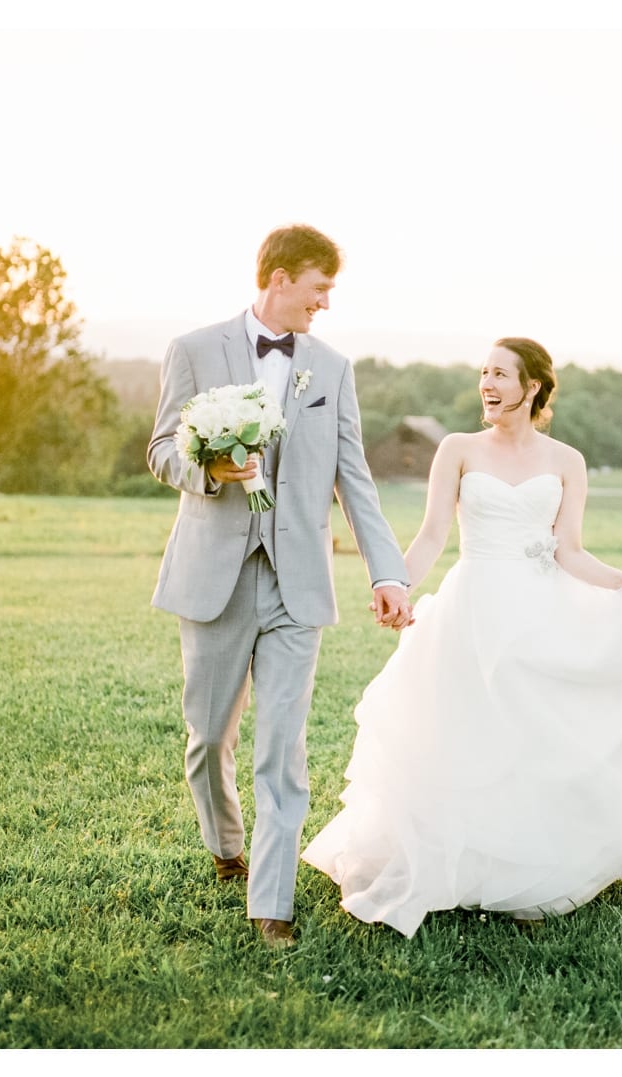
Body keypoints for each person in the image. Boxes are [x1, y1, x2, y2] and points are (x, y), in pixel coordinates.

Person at [302, 337, 622, 937]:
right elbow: (433, 534)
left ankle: (539, 864)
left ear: (533, 387)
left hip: (542, 609)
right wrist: (397, 584)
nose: (486, 385)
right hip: (472, 609)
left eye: (500, 374)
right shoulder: (458, 448)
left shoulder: (567, 460)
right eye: (483, 373)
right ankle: (455, 861)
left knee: (538, 736)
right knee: (464, 737)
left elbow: (569, 550)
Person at [147, 224, 411, 950]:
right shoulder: (195, 350)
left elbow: (354, 477)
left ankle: (272, 902)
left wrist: (386, 570)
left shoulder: (331, 367)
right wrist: (210, 470)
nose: (325, 304)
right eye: (319, 288)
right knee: (207, 738)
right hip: (213, 578)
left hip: (298, 583)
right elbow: (163, 449)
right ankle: (225, 843)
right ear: (280, 278)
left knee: (283, 747)